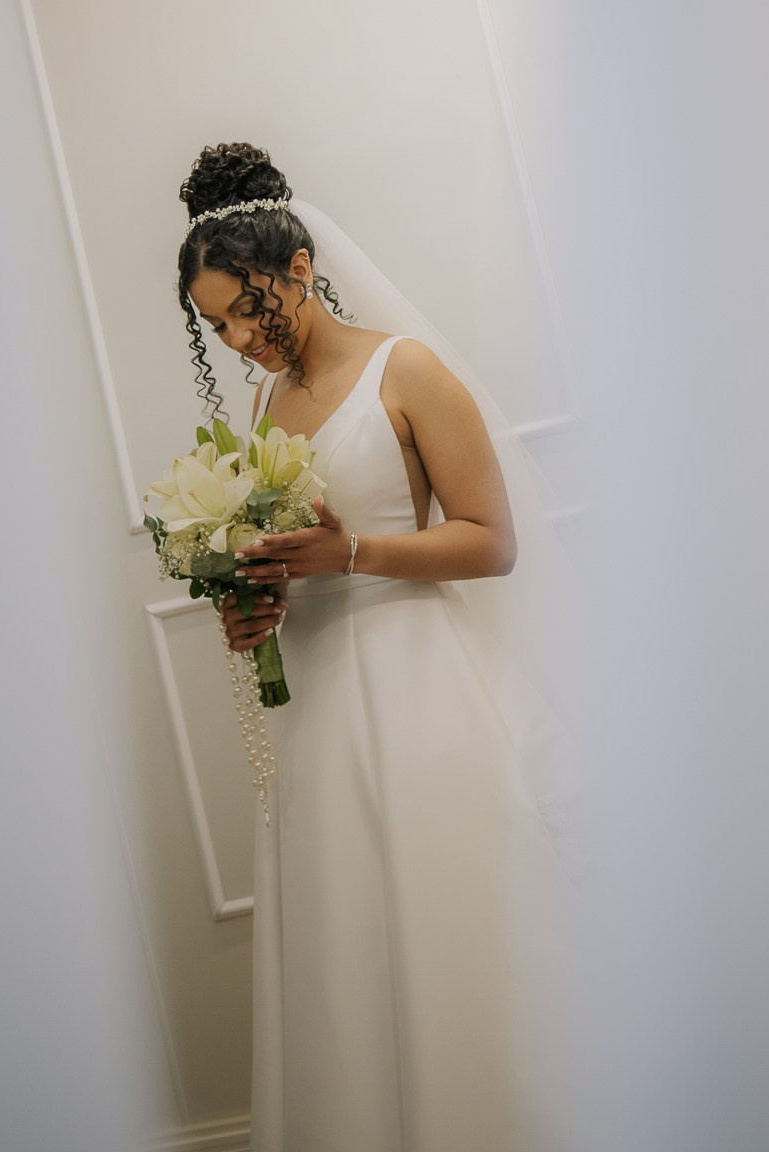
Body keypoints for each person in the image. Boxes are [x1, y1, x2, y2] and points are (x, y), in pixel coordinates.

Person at [177, 142, 573, 1152]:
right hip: (316, 715)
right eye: (215, 325)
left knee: (442, 936)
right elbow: (298, 558)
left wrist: (351, 552)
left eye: (244, 310)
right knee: (341, 952)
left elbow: (491, 541)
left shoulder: (408, 369)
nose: (236, 339)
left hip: (416, 696)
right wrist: (256, 604)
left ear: (299, 269)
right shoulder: (263, 403)